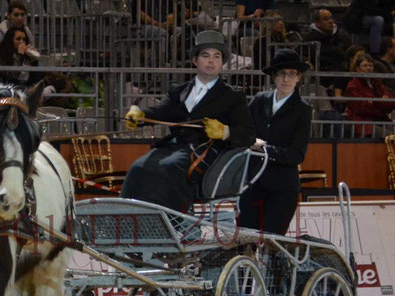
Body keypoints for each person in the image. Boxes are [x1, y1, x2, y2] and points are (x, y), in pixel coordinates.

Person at [120, 31, 255, 213]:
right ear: (195, 61)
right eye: (205, 56)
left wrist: (225, 132)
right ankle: (129, 217)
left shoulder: (233, 96)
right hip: (173, 148)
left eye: (216, 57)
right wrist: (140, 115)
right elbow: (160, 111)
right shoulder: (179, 91)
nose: (211, 61)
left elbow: (248, 134)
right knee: (138, 167)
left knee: (168, 168)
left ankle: (175, 222)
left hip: (203, 151)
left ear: (222, 64)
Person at [238, 49, 311, 236]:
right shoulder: (260, 100)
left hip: (282, 188)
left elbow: (297, 154)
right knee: (246, 239)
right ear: (274, 76)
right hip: (253, 183)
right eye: (281, 73)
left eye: (291, 74)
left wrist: (265, 149)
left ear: (298, 77)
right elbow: (244, 129)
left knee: (272, 242)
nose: (285, 79)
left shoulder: (302, 109)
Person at [344, 54, 395, 137]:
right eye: (365, 66)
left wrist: (373, 102)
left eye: (370, 65)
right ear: (357, 69)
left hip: (381, 120)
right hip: (363, 125)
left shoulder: (376, 83)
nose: (368, 68)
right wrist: (380, 102)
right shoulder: (353, 86)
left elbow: (391, 103)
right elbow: (362, 108)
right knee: (393, 137)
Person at [302, 9, 351, 74]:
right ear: (317, 23)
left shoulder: (341, 35)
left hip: (341, 73)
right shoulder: (310, 38)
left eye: (331, 18)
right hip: (320, 75)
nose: (331, 21)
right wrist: (305, 61)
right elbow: (299, 54)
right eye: (326, 19)